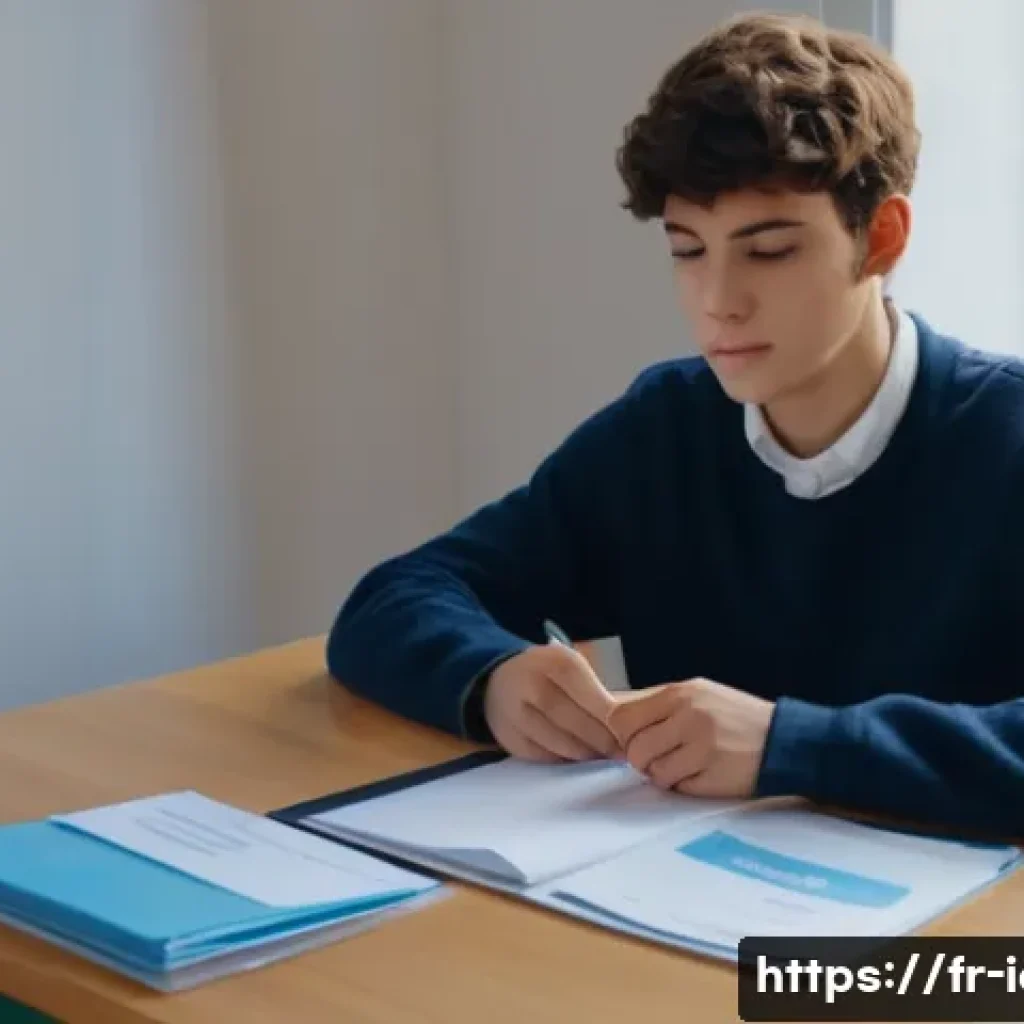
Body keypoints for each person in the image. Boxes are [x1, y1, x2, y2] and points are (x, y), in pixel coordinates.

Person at [326, 12, 1024, 835]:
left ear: (881, 238)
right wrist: (492, 678)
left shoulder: (1003, 437)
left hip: (951, 946)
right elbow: (395, 598)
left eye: (768, 251)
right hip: (683, 919)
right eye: (688, 250)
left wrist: (791, 743)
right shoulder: (664, 431)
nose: (718, 299)